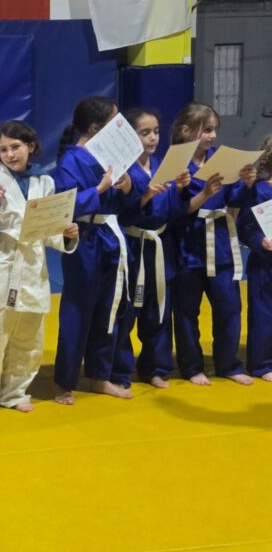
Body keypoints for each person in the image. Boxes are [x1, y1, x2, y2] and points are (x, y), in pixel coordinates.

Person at [0, 121, 78, 413]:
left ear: (30, 146)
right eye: (3, 149)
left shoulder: (45, 181)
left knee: (29, 336)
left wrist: (66, 234)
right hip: (2, 261)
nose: (10, 154)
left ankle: (15, 393)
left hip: (32, 264)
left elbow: (50, 227)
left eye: (15, 147)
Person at [51, 97, 141, 405]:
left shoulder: (114, 154)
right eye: (114, 121)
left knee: (109, 307)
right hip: (85, 238)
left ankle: (100, 376)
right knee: (78, 309)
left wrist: (128, 186)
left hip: (112, 236)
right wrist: (99, 190)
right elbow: (65, 205)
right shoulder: (70, 161)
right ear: (94, 127)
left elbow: (133, 196)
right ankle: (65, 380)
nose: (120, 127)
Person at [170, 102, 255, 386]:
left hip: (220, 243)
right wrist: (202, 193)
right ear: (186, 131)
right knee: (186, 310)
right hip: (188, 244)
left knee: (229, 306)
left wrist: (246, 183)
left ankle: (228, 364)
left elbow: (233, 198)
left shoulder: (221, 158)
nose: (212, 136)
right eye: (206, 130)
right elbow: (174, 208)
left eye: (214, 129)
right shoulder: (175, 164)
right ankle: (191, 366)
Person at [114, 109, 191, 388]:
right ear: (130, 136)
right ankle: (119, 370)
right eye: (144, 132)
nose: (153, 138)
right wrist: (145, 195)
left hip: (160, 246)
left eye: (156, 131)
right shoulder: (122, 170)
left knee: (158, 309)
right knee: (127, 312)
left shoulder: (162, 165)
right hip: (133, 246)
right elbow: (120, 214)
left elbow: (175, 212)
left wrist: (180, 189)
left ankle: (155, 368)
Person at [237, 135, 272, 381]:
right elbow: (245, 226)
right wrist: (260, 241)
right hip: (265, 263)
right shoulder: (259, 190)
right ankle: (262, 364)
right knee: (264, 312)